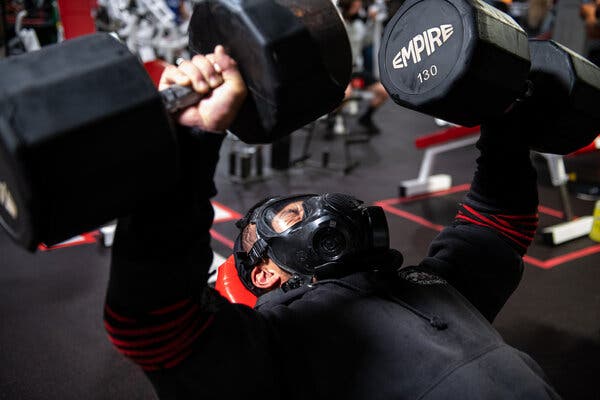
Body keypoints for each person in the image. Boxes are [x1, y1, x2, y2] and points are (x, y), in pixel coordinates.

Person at [103, 46, 561, 399]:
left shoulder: (427, 283)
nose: (315, 205)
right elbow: (151, 325)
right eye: (288, 215)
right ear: (264, 272)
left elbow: (498, 222)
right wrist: (192, 141)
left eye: (308, 200)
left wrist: (504, 120)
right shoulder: (279, 340)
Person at [337, 0, 389, 134]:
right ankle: (334, 117)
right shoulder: (338, 23)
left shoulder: (359, 25)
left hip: (356, 71)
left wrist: (372, 22)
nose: (360, 4)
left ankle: (366, 118)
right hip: (340, 72)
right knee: (346, 94)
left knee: (383, 91)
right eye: (357, 2)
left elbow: (367, 41)